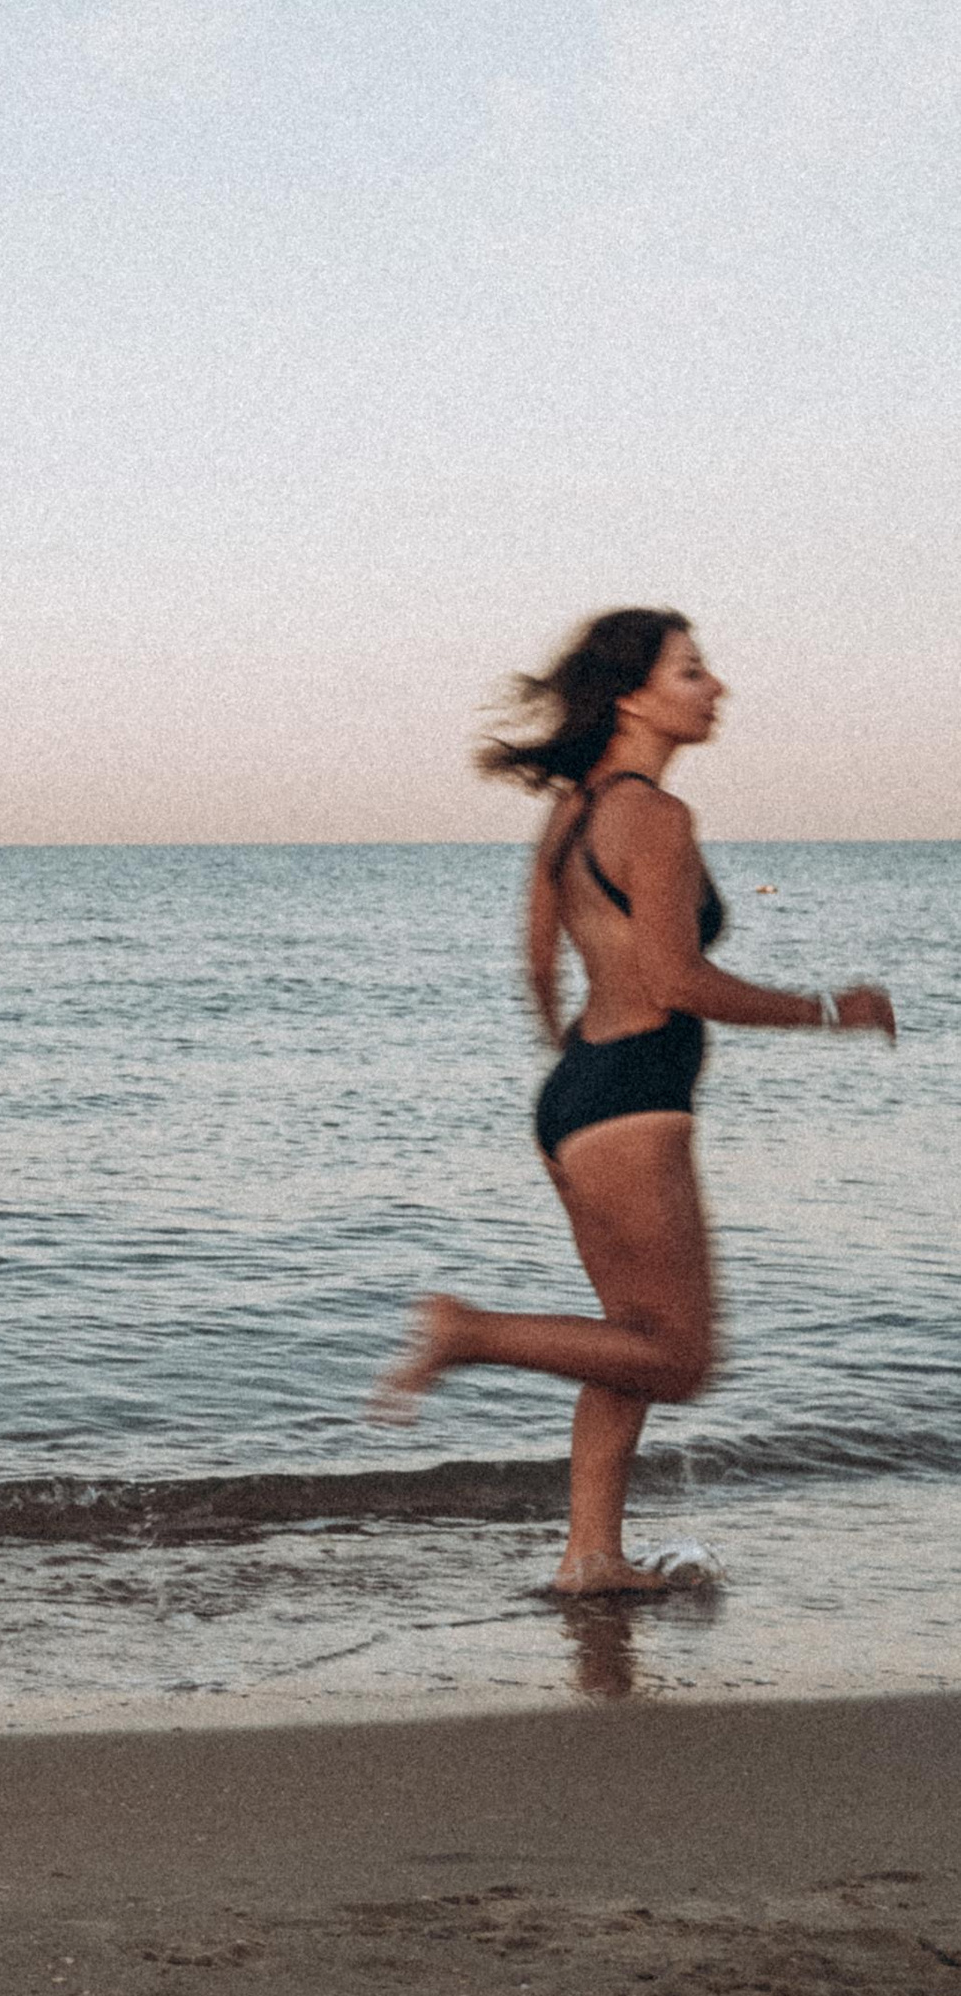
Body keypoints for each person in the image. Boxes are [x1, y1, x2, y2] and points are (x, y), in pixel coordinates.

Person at [371, 608, 894, 1593]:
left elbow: (537, 960)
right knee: (680, 1357)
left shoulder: (571, 812)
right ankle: (465, 1331)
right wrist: (830, 1009)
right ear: (632, 694)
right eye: (691, 671)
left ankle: (591, 1558)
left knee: (629, 1341)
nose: (715, 689)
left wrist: (574, 1054)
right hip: (633, 1092)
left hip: (579, 1095)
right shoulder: (652, 817)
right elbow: (677, 980)